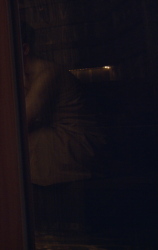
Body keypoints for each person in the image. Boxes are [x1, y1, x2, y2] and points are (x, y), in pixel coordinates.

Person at [21, 24, 105, 186]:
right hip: (55, 135)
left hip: (75, 141)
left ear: (25, 49)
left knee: (14, 144)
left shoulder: (47, 73)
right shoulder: (25, 75)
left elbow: (23, 121)